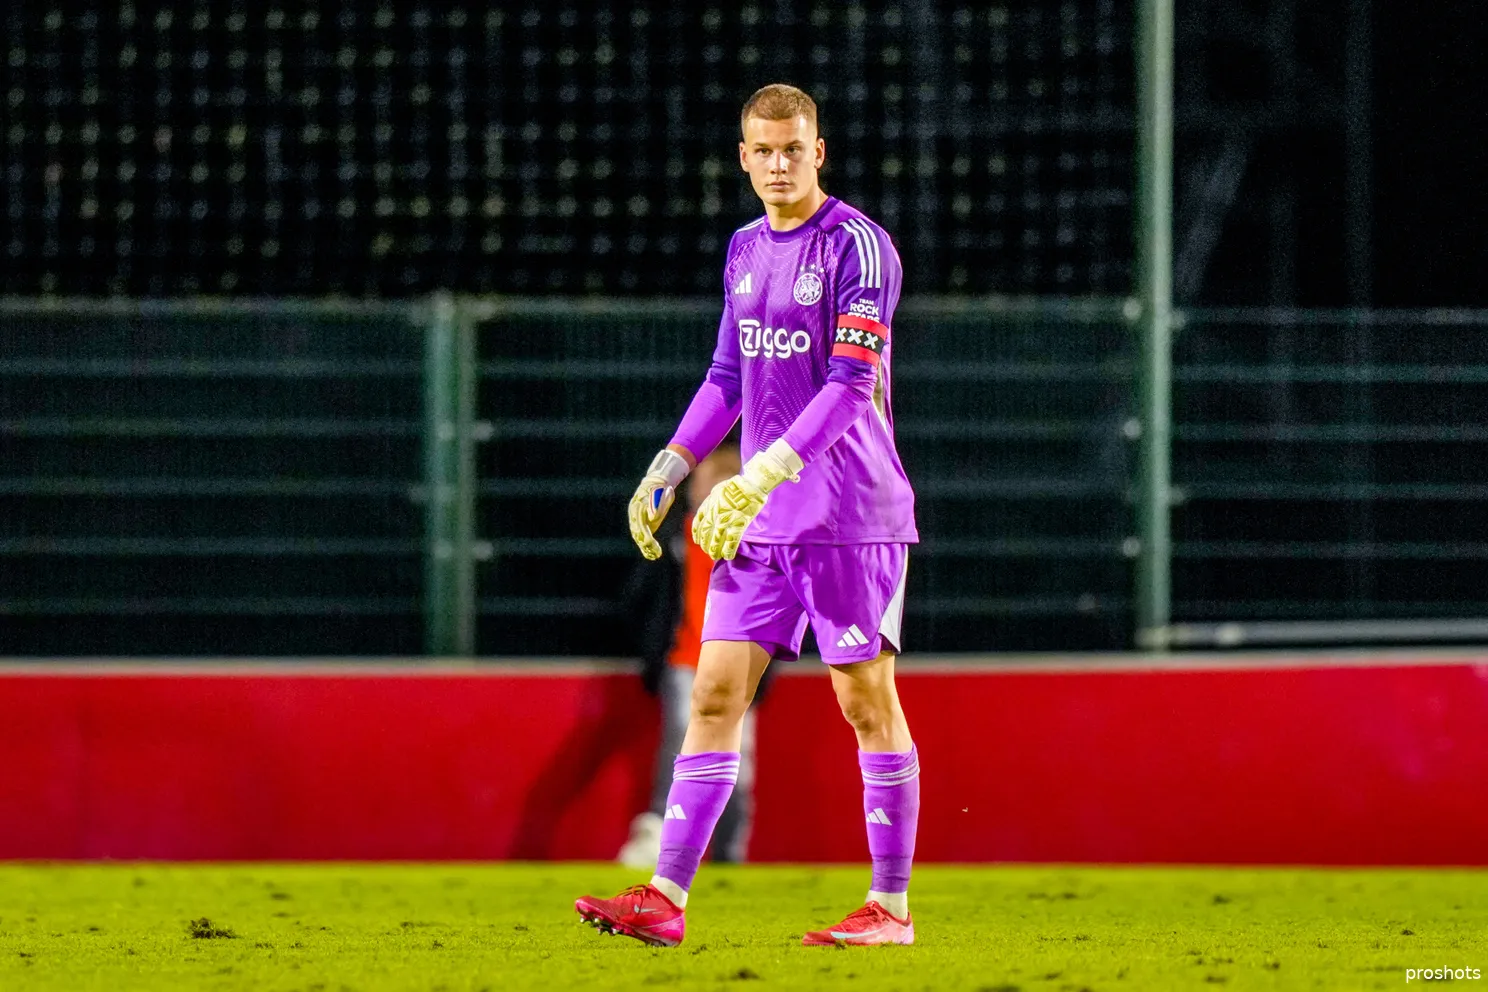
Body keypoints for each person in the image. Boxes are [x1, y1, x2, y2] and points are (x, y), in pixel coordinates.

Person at [576, 83, 919, 949]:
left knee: (864, 701)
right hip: (757, 516)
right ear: (742, 156)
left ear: (818, 151)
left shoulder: (860, 248)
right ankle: (665, 897)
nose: (777, 165)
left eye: (792, 150)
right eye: (762, 151)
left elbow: (848, 387)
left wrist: (756, 474)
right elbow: (728, 375)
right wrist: (674, 460)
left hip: (849, 513)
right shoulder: (741, 249)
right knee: (716, 692)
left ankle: (891, 908)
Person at [616, 443, 763, 870]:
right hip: (684, 662)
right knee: (683, 747)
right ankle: (663, 838)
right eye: (706, 485)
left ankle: (730, 852)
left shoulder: (754, 542)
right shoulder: (673, 539)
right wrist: (652, 649)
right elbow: (640, 599)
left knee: (738, 761)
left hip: (737, 671)